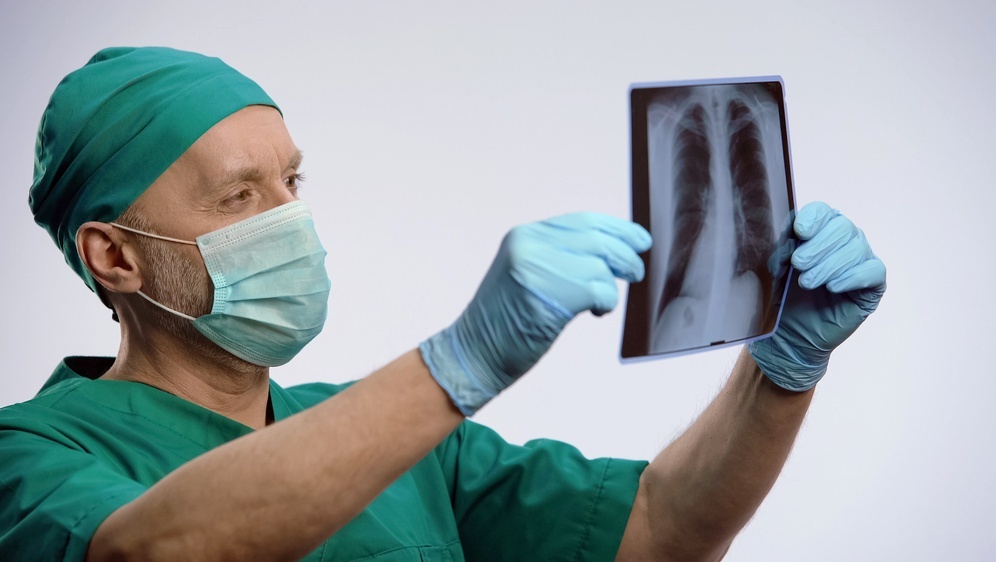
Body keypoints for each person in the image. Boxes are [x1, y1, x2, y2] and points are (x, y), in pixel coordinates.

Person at [0, 47, 886, 561]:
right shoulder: (30, 456)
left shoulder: (411, 447)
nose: (291, 220)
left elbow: (660, 528)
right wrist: (458, 363)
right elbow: (153, 551)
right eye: (239, 197)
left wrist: (782, 370)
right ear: (115, 255)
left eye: (292, 182)